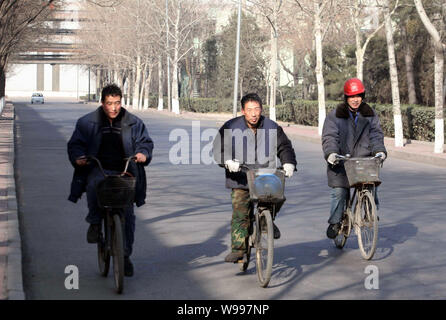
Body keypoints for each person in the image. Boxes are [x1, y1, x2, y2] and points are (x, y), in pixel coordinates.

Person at [67, 84, 154, 276]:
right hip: (99, 167)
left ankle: (124, 256)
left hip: (125, 169)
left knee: (128, 215)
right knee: (93, 184)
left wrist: (143, 153)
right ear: (102, 103)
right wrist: (79, 157)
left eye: (117, 103)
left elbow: (145, 142)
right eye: (109, 103)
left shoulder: (133, 122)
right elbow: (75, 144)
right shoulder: (87, 122)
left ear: (121, 102)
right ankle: (95, 221)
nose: (113, 108)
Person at [213, 93, 297, 263]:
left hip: (265, 176)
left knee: (278, 197)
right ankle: (238, 250)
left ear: (261, 110)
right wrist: (227, 161)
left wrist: (288, 163)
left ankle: (267, 221)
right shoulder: (230, 126)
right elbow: (218, 149)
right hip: (240, 177)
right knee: (241, 211)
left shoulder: (272, 127)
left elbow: (285, 147)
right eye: (249, 110)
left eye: (257, 109)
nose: (253, 114)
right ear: (243, 111)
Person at [322, 78, 387, 239]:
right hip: (342, 162)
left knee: (372, 184)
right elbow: (330, 137)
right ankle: (336, 221)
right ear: (346, 98)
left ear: (363, 96)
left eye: (358, 95)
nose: (355, 99)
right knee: (339, 192)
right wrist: (331, 153)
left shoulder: (370, 114)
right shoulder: (335, 116)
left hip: (364, 162)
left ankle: (370, 212)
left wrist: (380, 151)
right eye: (352, 96)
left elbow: (376, 135)